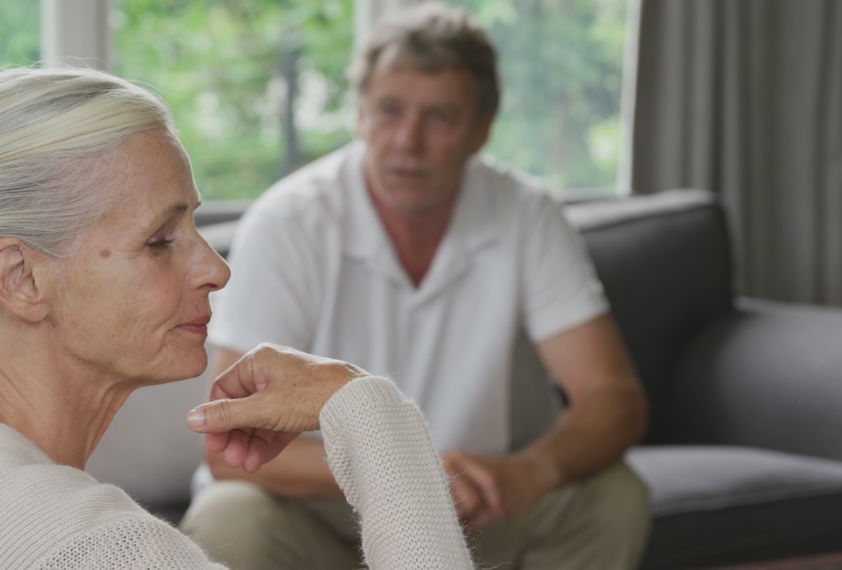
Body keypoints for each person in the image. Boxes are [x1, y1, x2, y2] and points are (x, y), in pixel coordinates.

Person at [0, 67, 476, 569]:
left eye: (196, 226)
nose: (215, 269)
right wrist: (373, 415)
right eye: (160, 240)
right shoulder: (94, 547)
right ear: (21, 278)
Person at [182, 3, 652, 569]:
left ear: (481, 130)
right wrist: (408, 472)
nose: (408, 140)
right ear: (359, 114)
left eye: (440, 117)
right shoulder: (288, 221)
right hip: (319, 525)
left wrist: (532, 470)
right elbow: (230, 450)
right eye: (389, 110)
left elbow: (613, 399)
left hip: (479, 510)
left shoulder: (526, 213)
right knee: (227, 518)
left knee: (614, 497)